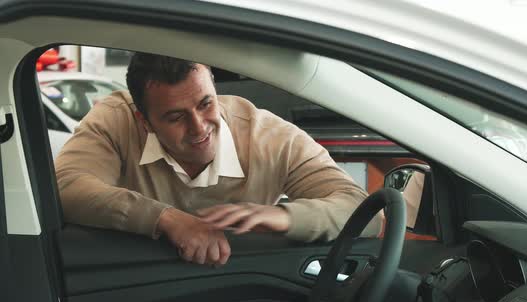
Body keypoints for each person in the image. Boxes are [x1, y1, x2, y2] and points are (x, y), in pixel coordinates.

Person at [55, 53, 382, 266]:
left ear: (213, 84)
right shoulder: (117, 119)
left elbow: (366, 212)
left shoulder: (269, 137)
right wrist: (167, 219)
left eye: (205, 103)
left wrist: (282, 216)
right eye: (175, 117)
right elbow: (67, 186)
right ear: (144, 121)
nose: (199, 127)